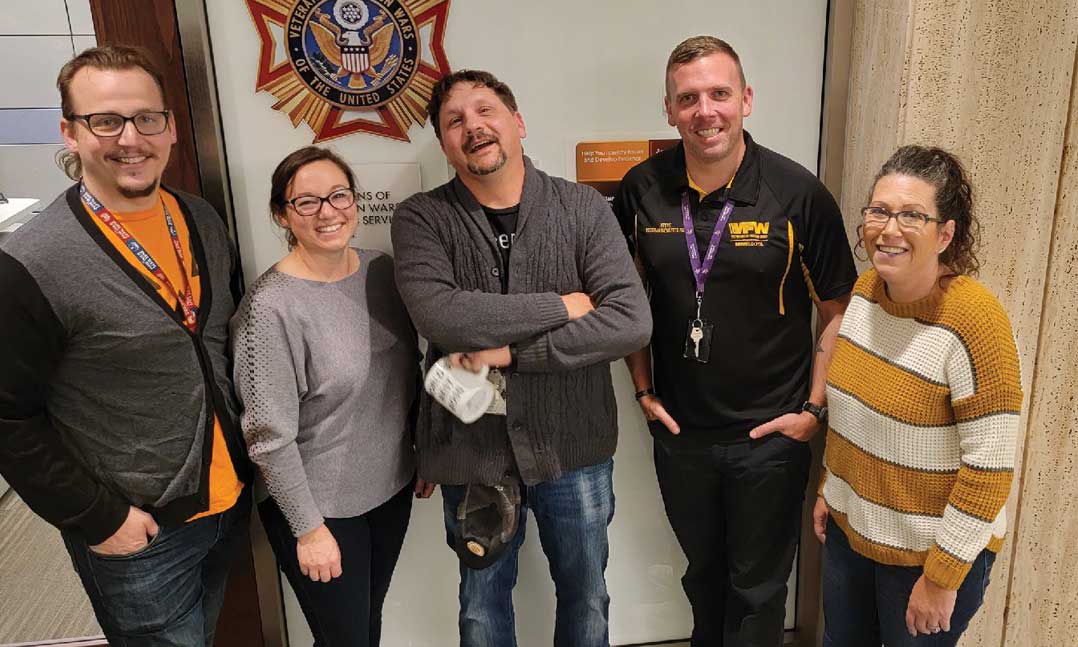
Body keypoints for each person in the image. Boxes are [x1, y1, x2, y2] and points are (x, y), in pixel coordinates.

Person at [390, 69, 651, 647]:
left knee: (586, 599)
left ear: (518, 122)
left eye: (486, 111)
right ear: (444, 143)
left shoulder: (582, 207)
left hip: (573, 446)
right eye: (454, 121)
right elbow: (441, 317)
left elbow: (630, 320)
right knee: (481, 608)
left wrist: (512, 351)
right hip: (471, 452)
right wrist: (565, 304)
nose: (473, 127)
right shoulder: (420, 218)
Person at [0, 45, 249, 646]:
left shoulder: (200, 218)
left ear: (170, 128)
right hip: (137, 534)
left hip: (227, 502)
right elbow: (7, 416)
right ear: (70, 131)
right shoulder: (30, 263)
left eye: (146, 118)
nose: (130, 138)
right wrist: (99, 519)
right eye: (105, 120)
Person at [613, 35, 858, 645]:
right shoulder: (641, 191)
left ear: (746, 99)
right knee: (704, 580)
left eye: (720, 93)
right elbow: (624, 302)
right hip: (682, 436)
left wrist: (813, 410)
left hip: (769, 438)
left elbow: (840, 310)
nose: (706, 111)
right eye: (688, 98)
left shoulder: (798, 194)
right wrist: (644, 391)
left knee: (757, 593)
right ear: (669, 110)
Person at [813, 145, 1022, 646]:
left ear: (945, 234)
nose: (889, 229)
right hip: (852, 536)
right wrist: (831, 488)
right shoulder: (865, 294)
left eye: (912, 215)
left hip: (926, 560)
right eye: (879, 211)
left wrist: (941, 577)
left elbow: (989, 470)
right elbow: (852, 415)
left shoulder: (975, 322)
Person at [231, 145, 427, 646]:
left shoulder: (381, 272)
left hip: (390, 488)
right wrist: (308, 529)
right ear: (282, 214)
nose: (328, 212)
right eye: (307, 202)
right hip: (319, 508)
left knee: (367, 628)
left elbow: (406, 378)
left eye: (338, 195)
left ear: (355, 202)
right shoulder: (269, 309)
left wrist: (424, 453)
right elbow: (267, 437)